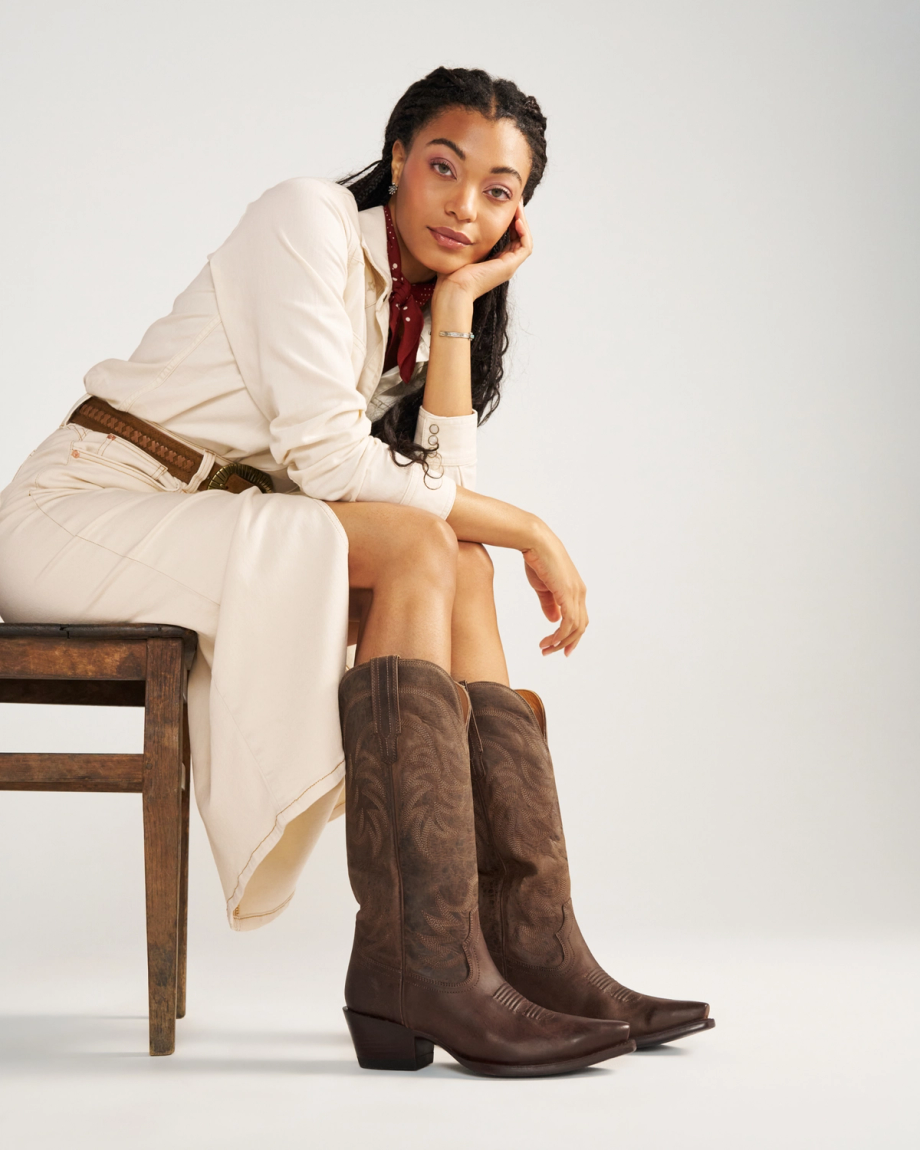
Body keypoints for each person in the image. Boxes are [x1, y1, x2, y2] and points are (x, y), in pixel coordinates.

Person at [0, 66, 713, 1077]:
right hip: (80, 512)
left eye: (498, 191)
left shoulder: (414, 304)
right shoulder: (307, 221)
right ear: (397, 159)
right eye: (443, 168)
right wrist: (533, 528)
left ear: (517, 215)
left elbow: (438, 488)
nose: (464, 207)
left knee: (460, 564)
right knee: (435, 543)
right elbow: (334, 465)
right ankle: (420, 958)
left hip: (199, 522)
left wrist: (458, 301)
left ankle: (525, 945)